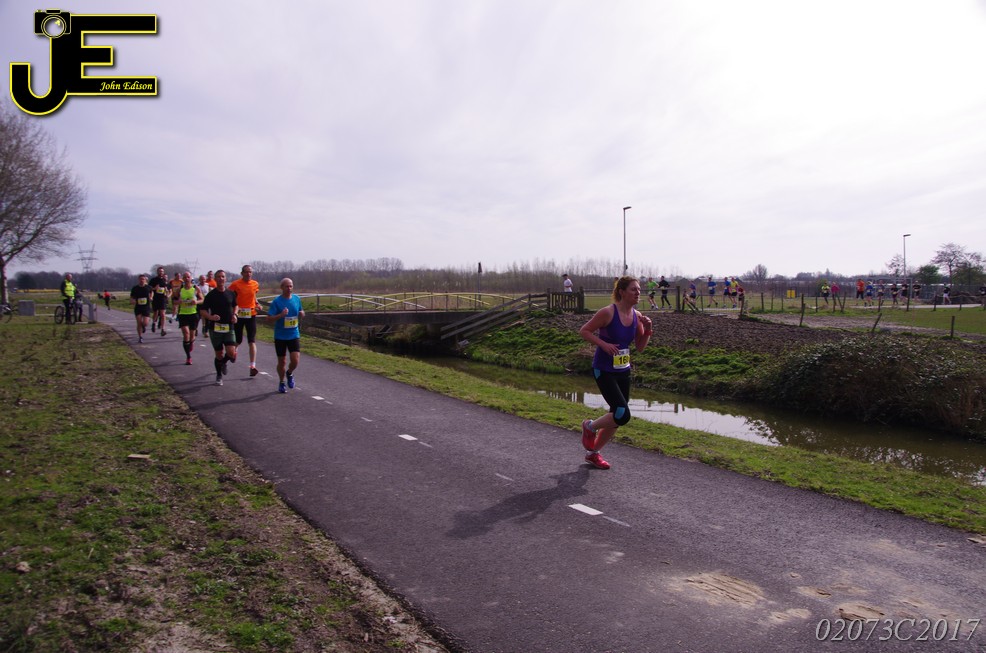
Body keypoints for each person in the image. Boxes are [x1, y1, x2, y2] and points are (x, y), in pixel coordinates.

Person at [577, 276, 653, 470]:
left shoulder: (637, 315)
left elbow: (640, 347)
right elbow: (584, 331)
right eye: (634, 289)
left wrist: (648, 329)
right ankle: (589, 426)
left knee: (616, 416)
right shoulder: (608, 312)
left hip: (623, 370)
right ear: (622, 292)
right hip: (603, 369)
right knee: (622, 414)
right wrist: (603, 344)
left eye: (639, 289)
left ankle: (593, 453)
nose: (638, 293)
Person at [199, 269, 238, 386]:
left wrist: (235, 314)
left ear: (225, 279)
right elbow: (202, 311)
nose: (221, 279)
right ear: (215, 279)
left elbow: (236, 306)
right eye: (218, 277)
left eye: (223, 277)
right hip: (215, 328)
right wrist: (210, 317)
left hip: (229, 326)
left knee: (231, 352)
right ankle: (219, 375)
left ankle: (224, 362)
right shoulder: (211, 295)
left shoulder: (231, 293)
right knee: (219, 354)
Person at [267, 277, 305, 393]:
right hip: (280, 336)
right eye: (286, 286)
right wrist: (280, 315)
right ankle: (282, 382)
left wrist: (302, 313)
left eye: (291, 286)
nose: (289, 288)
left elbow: (301, 311)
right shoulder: (277, 301)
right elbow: (269, 319)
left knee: (295, 360)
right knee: (282, 361)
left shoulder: (296, 299)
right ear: (281, 287)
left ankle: (289, 373)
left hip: (293, 334)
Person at [228, 264, 263, 377]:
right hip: (239, 315)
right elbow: (229, 296)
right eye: (246, 272)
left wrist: (257, 304)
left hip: (251, 314)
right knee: (238, 340)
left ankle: (253, 366)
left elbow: (253, 296)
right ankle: (234, 352)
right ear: (242, 273)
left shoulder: (255, 284)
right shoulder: (235, 284)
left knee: (251, 340)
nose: (248, 274)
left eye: (250, 272)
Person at [176, 271, 204, 365]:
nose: (186, 279)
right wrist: (178, 301)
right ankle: (188, 357)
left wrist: (196, 302)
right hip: (183, 314)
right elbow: (174, 300)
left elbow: (202, 299)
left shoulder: (195, 288)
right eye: (185, 277)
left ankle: (191, 342)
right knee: (186, 334)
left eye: (188, 277)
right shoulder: (180, 289)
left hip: (193, 314)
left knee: (192, 336)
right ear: (183, 279)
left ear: (191, 278)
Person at [129, 274, 153, 343]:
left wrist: (151, 297)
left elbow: (151, 292)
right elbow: (132, 297)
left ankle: (143, 326)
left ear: (145, 280)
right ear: (138, 280)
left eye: (143, 279)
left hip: (146, 307)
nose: (142, 280)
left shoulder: (148, 287)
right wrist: (132, 301)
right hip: (138, 307)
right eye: (140, 279)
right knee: (139, 322)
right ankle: (140, 337)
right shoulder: (135, 288)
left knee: (145, 323)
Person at [148, 266, 170, 335]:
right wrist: (154, 288)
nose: (161, 272)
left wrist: (167, 293)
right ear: (157, 272)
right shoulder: (153, 280)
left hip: (162, 299)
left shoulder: (164, 280)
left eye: (162, 271)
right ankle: (154, 323)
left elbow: (166, 288)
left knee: (163, 314)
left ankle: (163, 329)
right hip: (156, 298)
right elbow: (149, 288)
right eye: (160, 271)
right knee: (156, 313)